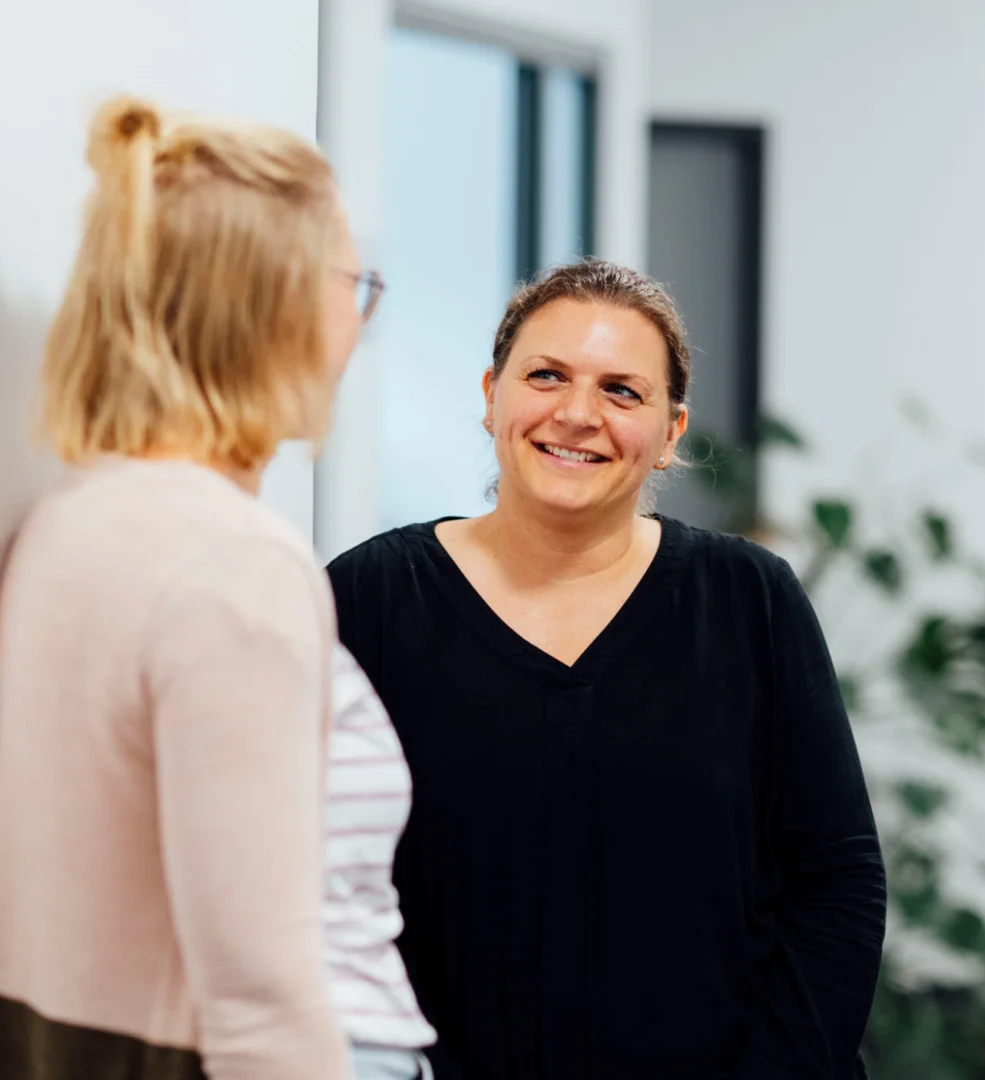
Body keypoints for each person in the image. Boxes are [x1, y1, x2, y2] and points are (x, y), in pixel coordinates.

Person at [0, 94, 433, 1080]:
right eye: (357, 282)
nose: (360, 320)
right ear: (275, 302)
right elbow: (259, 993)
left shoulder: (77, 515)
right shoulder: (237, 566)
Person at [325, 261, 888, 1079]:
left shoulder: (746, 600)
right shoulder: (370, 598)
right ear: (491, 395)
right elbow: (316, 881)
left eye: (622, 392)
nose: (578, 414)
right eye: (546, 375)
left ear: (671, 433)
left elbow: (837, 880)